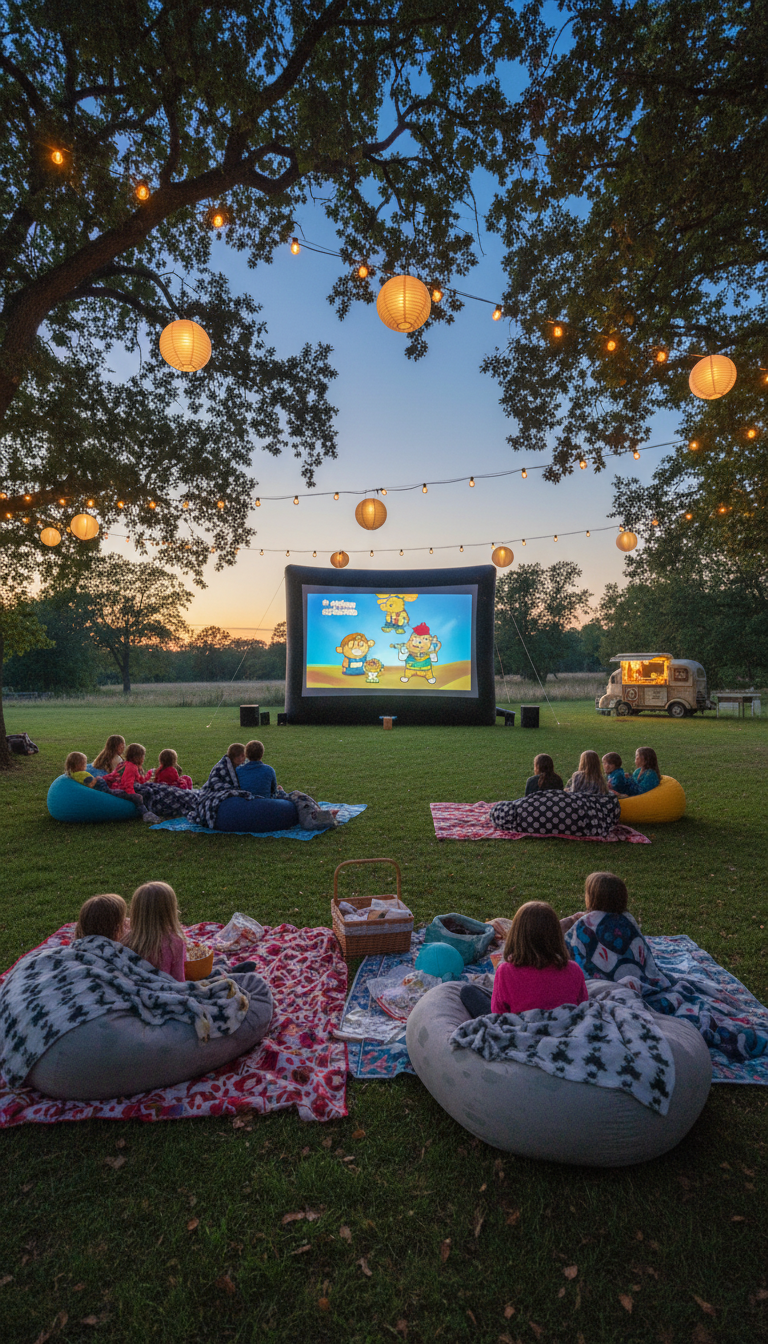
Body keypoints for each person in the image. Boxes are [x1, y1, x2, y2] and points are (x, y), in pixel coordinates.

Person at [460, 900, 588, 1019]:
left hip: (519, 1031)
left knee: (468, 991)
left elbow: (499, 1018)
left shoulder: (505, 972)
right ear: (556, 936)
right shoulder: (574, 970)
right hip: (562, 1029)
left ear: (516, 935)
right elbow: (583, 1010)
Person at [125, 880, 187, 981]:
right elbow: (178, 979)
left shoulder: (127, 940)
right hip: (163, 993)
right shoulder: (175, 942)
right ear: (170, 910)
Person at [94, 743, 160, 823]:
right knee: (141, 795)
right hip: (120, 790)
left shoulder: (122, 764)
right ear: (137, 757)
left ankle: (149, 810)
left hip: (117, 787)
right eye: (143, 756)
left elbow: (113, 775)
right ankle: (146, 813)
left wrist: (149, 774)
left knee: (145, 789)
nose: (143, 758)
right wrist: (132, 795)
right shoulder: (131, 768)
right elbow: (127, 784)